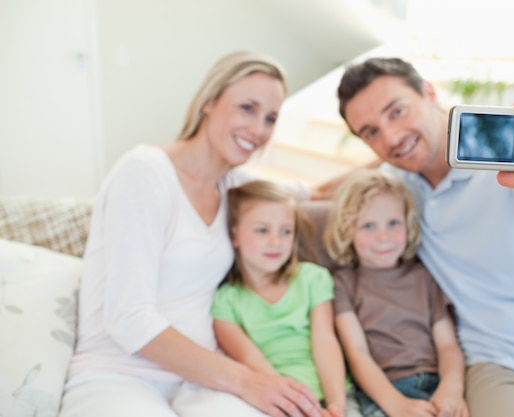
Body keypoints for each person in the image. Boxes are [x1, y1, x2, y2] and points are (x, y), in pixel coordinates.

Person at [333, 57, 514, 417]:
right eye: (370, 132)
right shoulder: (397, 194)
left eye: (396, 112)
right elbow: (352, 180)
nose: (390, 138)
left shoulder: (509, 161)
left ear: (429, 92)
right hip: (500, 366)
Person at [59, 51, 323, 417]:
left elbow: (313, 193)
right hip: (118, 374)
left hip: (201, 382)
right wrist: (248, 381)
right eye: (247, 108)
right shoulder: (145, 172)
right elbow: (127, 316)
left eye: (271, 118)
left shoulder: (236, 187)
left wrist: (396, 165)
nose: (259, 129)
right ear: (209, 103)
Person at [174, 180, 360, 417]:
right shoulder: (226, 301)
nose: (276, 242)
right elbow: (251, 360)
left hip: (334, 395)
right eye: (262, 230)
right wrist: (297, 407)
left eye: (286, 231)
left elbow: (325, 343)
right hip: (275, 400)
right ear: (235, 236)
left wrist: (336, 407)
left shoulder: (313, 278)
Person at [324, 168, 468, 417]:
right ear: (348, 231)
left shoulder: (423, 276)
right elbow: (356, 352)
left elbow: (447, 345)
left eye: (393, 223)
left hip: (436, 386)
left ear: (407, 223)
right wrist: (396, 404)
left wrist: (451, 389)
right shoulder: (343, 282)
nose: (384, 237)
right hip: (383, 393)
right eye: (368, 226)